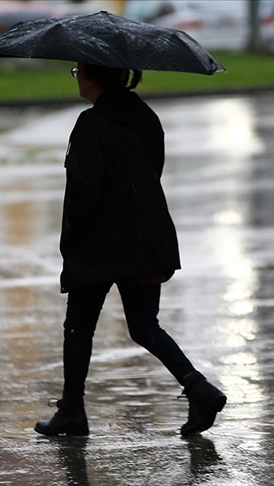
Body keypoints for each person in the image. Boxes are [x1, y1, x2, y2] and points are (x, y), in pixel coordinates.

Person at [34, 62, 226, 437]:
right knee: (144, 326)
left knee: (78, 327)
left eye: (78, 71)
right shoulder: (144, 116)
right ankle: (198, 388)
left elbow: (84, 192)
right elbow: (152, 169)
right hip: (144, 237)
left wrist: (72, 239)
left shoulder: (92, 124)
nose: (77, 77)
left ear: (93, 76)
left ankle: (72, 409)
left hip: (100, 246)